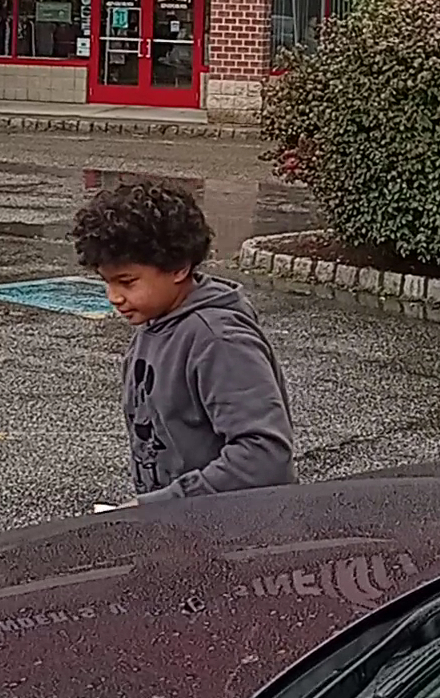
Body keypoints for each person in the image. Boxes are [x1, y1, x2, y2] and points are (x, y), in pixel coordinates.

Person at [72, 177, 295, 502]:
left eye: (127, 282)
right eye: (106, 282)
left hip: (230, 526)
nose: (113, 297)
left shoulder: (218, 339)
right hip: (180, 521)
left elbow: (265, 459)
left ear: (179, 267)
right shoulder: (156, 321)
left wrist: (164, 505)